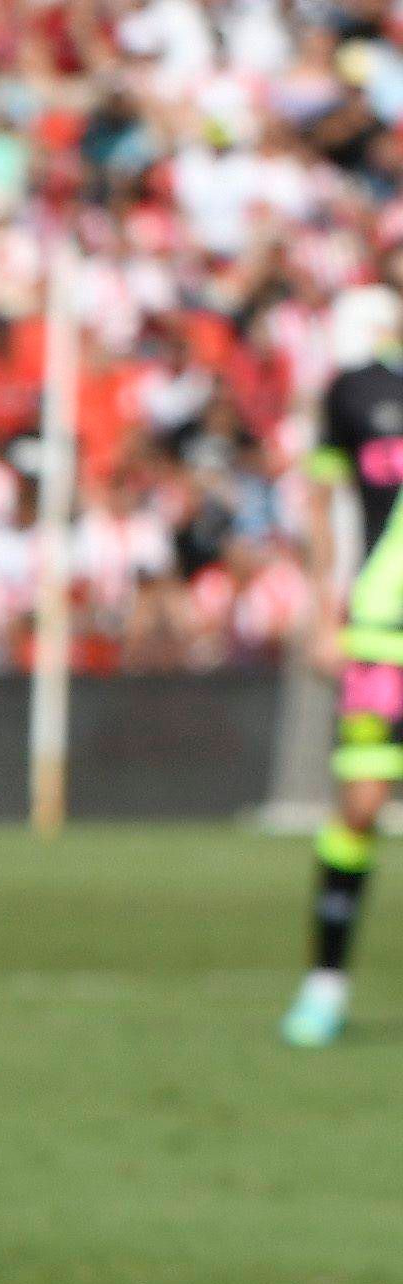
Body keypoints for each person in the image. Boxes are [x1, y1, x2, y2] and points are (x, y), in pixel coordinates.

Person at [283, 285, 403, 1045]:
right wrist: (322, 610)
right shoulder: (357, 390)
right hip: (382, 632)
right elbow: (323, 505)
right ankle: (325, 983)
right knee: (359, 804)